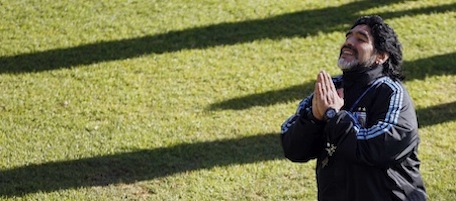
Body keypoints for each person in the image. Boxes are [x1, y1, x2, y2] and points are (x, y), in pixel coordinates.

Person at [280, 15, 426, 201]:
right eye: (348, 37)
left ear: (381, 56)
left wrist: (334, 116)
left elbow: (378, 147)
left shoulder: (391, 93)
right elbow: (293, 148)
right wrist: (313, 119)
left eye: (360, 39)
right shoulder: (330, 90)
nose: (348, 42)